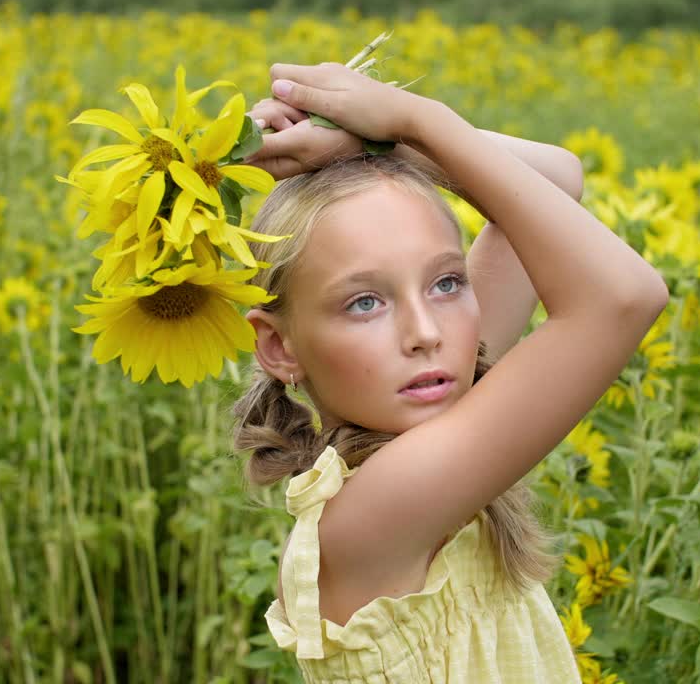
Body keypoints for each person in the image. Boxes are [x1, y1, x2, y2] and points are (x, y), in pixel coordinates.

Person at [230, 61, 669, 683]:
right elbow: (623, 296)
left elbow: (557, 177)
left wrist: (374, 145)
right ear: (279, 347)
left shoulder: (428, 398)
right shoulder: (377, 507)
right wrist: (413, 121)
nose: (426, 332)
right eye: (365, 303)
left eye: (446, 281)